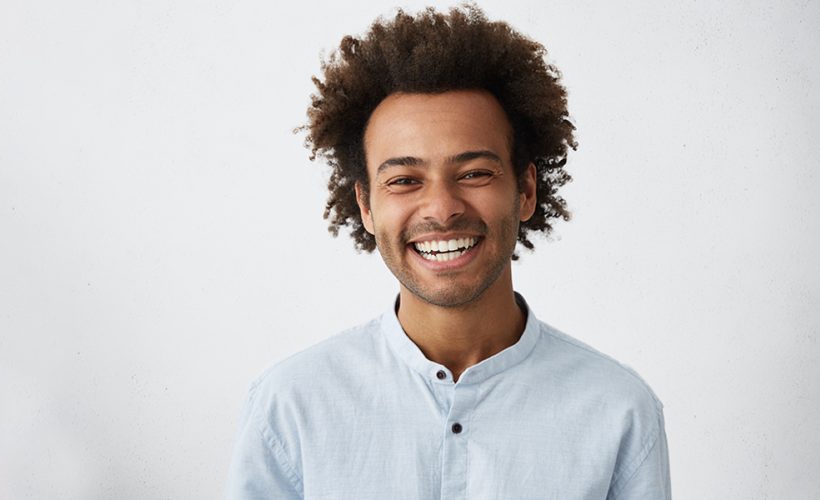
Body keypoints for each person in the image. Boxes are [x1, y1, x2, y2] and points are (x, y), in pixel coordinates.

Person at [226, 5, 670, 499]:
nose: (441, 208)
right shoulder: (290, 406)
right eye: (404, 180)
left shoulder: (618, 410)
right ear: (366, 206)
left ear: (525, 190)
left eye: (474, 173)